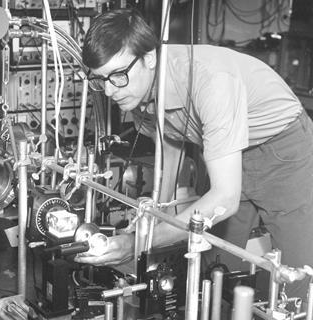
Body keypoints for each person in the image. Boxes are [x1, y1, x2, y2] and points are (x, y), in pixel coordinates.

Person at [74, 8, 313, 301]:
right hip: (222, 153)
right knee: (213, 266)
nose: (109, 91)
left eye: (118, 76)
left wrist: (137, 242)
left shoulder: (210, 80)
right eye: (100, 80)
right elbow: (171, 137)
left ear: (150, 58)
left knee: (295, 278)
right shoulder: (135, 87)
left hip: (282, 152)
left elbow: (225, 197)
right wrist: (156, 213)